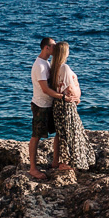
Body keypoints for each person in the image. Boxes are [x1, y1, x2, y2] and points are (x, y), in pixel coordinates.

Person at [29, 37, 71, 179]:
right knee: (36, 136)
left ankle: (55, 162)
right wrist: (63, 97)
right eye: (53, 45)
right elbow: (45, 89)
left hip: (50, 104)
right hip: (41, 105)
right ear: (47, 47)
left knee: (59, 131)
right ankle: (33, 169)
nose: (56, 47)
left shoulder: (46, 63)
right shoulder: (40, 65)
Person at [48, 42, 94, 171]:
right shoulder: (64, 68)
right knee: (70, 132)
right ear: (65, 53)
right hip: (66, 104)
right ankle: (65, 163)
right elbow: (70, 89)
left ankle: (56, 161)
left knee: (61, 133)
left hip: (57, 104)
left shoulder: (53, 68)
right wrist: (77, 97)